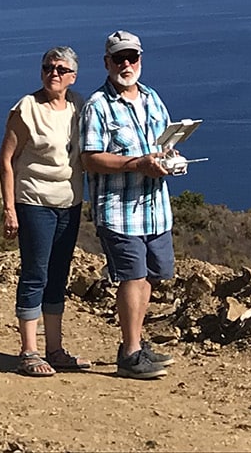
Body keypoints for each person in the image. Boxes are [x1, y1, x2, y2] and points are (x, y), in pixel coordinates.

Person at [79, 29, 181, 380]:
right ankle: (130, 353)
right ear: (106, 63)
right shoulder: (98, 105)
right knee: (131, 277)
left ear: (140, 59)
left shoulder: (152, 98)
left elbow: (164, 143)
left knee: (151, 275)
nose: (126, 64)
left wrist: (170, 160)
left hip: (155, 208)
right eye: (119, 58)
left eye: (132, 57)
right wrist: (137, 164)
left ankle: (134, 343)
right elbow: (90, 158)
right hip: (119, 209)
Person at [0, 45, 89, 377]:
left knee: (59, 275)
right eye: (48, 67)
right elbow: (5, 160)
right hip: (34, 201)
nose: (54, 73)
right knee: (35, 273)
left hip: (70, 202)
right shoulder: (26, 109)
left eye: (62, 69)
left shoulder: (79, 106)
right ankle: (29, 351)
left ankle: (56, 349)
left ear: (73, 77)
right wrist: (9, 209)